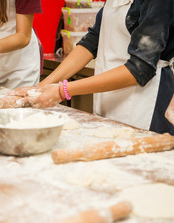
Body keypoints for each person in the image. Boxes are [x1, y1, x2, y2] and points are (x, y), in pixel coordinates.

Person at [10, 0, 174, 135]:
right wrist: (41, 86)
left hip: (144, 101)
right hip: (110, 94)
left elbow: (140, 68)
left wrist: (63, 90)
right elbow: (91, 42)